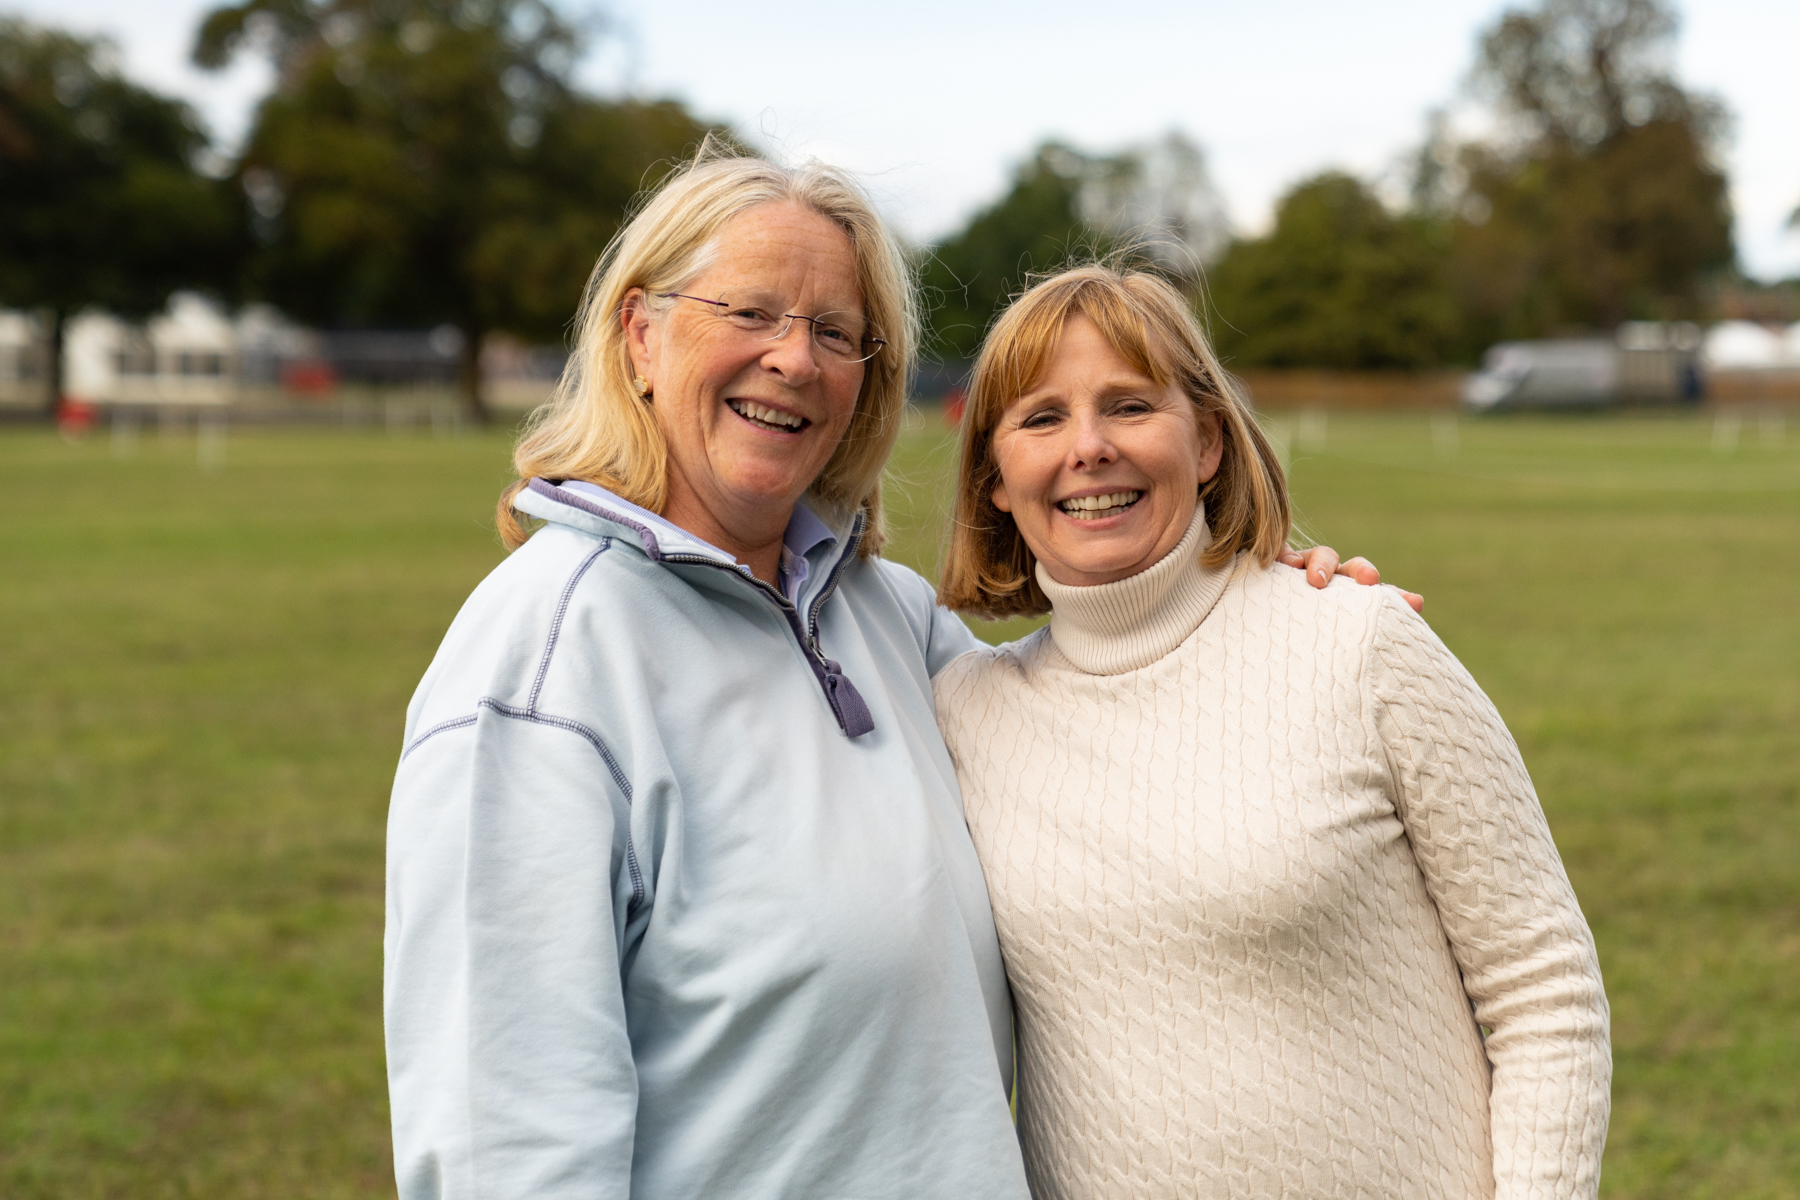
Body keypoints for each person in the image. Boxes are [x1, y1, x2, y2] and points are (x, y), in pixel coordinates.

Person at [384, 149, 1384, 1199]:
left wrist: (1271, 620)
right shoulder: (540, 672)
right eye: (751, 313)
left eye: (835, 333)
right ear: (640, 335)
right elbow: (509, 1149)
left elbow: (1115, 745)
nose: (795, 361)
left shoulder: (890, 617)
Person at [933, 264, 1611, 1200]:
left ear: (1208, 439)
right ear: (995, 480)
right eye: (1042, 418)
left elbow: (1546, 988)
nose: (1088, 448)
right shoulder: (963, 711)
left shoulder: (1359, 638)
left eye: (1129, 405)